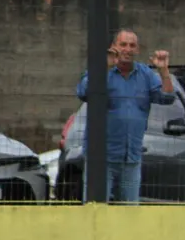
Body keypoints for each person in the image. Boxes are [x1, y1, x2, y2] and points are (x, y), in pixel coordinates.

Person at [74, 30, 174, 204]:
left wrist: (164, 70)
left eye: (132, 45)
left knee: (130, 215)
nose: (127, 49)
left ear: (137, 50)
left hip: (131, 158)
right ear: (113, 47)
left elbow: (167, 98)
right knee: (96, 210)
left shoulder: (146, 74)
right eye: (123, 44)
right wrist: (105, 67)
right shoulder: (100, 70)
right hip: (101, 159)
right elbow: (83, 92)